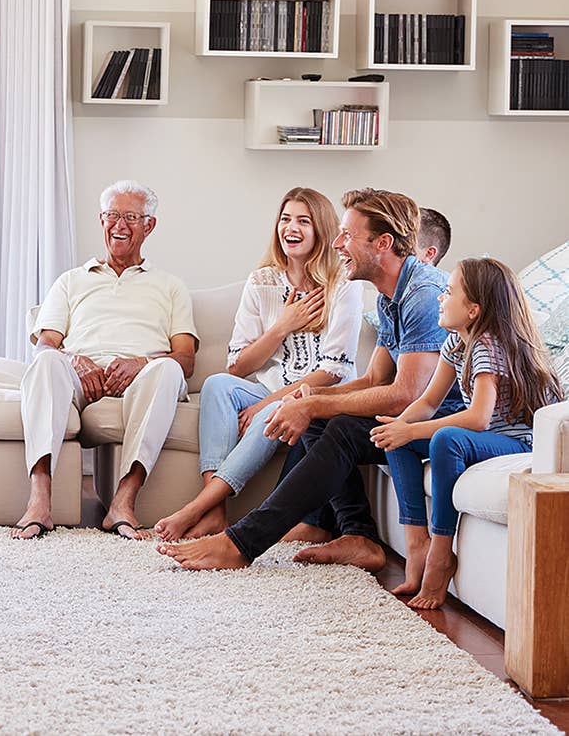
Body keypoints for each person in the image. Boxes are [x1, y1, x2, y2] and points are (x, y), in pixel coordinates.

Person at [157, 187, 463, 572]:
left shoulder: (421, 294)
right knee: (319, 415)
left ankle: (243, 542)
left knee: (335, 426)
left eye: (347, 235)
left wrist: (315, 402)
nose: (338, 243)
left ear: (382, 243)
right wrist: (309, 396)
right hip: (413, 419)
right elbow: (374, 378)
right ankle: (358, 535)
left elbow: (405, 397)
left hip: (442, 425)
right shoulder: (391, 295)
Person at [152, 187, 363, 542]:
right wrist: (282, 326)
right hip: (269, 387)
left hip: (316, 392)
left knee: (274, 410)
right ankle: (216, 511)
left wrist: (267, 403)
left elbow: (334, 370)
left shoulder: (344, 283)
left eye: (303, 221)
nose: (290, 228)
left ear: (322, 229)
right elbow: (237, 366)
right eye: (285, 219)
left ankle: (196, 507)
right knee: (218, 384)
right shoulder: (262, 281)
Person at [370, 258, 562, 609]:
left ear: (473, 310)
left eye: (448, 292)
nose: (441, 298)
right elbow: (428, 401)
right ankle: (418, 543)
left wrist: (410, 429)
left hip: (518, 443)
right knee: (398, 436)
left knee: (446, 438)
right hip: (492, 438)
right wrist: (399, 428)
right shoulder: (456, 344)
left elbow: (478, 419)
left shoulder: (489, 346)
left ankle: (441, 553)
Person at [11, 180, 197, 540]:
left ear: (149, 226)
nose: (120, 225)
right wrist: (75, 359)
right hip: (81, 377)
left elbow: (186, 358)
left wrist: (140, 363)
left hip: (141, 380)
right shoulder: (70, 281)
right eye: (113, 215)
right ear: (101, 220)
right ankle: (39, 500)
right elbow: (46, 344)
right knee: (47, 362)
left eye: (131, 216)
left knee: (169, 369)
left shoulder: (171, 286)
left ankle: (122, 502)